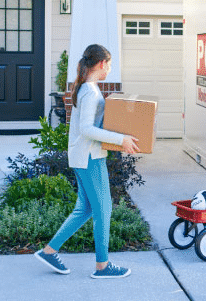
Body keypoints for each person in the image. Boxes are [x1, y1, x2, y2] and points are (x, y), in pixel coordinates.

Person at [34, 44, 140, 278]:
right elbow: (87, 129)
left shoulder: (86, 89)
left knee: (85, 209)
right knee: (104, 209)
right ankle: (102, 266)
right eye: (109, 64)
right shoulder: (90, 91)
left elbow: (90, 125)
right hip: (89, 157)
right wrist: (121, 139)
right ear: (102, 63)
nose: (109, 69)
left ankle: (49, 251)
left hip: (84, 156)